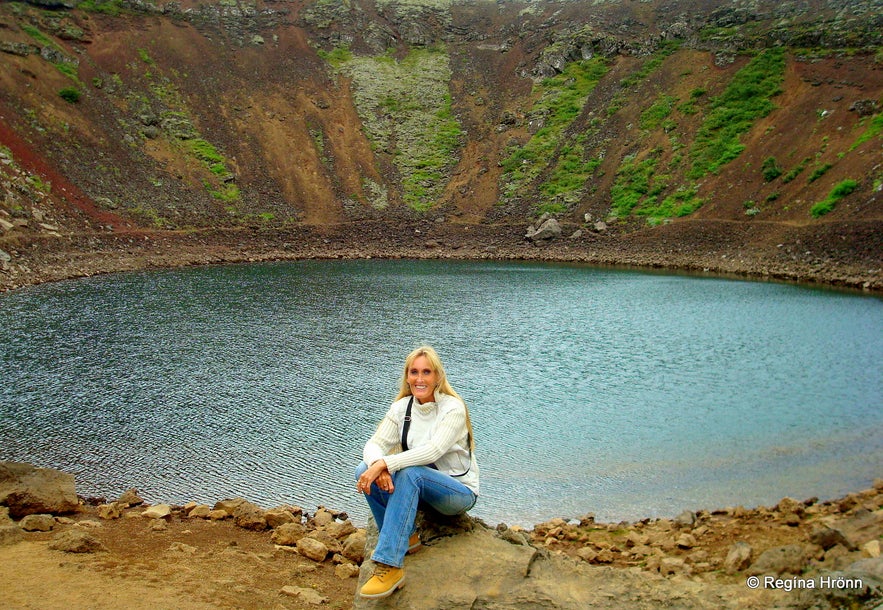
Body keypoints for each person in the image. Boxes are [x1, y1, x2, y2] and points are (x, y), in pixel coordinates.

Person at [355, 345, 479, 599]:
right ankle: (408, 537)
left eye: (426, 372)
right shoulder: (402, 408)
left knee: (410, 473)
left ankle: (390, 565)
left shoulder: (453, 408)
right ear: (407, 376)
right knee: (362, 469)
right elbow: (373, 445)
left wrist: (386, 465)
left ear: (437, 377)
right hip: (421, 492)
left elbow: (432, 452)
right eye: (414, 372)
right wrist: (378, 465)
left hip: (457, 493)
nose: (419, 379)